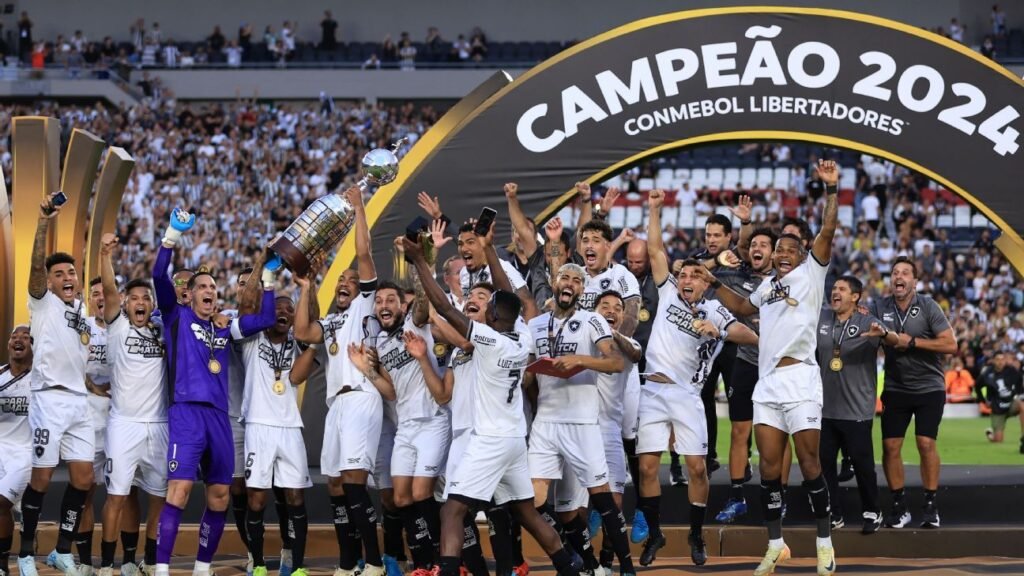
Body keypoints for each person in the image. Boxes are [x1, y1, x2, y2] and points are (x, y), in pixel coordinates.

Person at [402, 228, 582, 576]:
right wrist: (490, 253)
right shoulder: (522, 335)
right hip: (514, 439)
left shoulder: (490, 339)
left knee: (451, 510)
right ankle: (568, 568)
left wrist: (420, 262)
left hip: (489, 440)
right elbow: (509, 294)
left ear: (494, 317)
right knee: (526, 512)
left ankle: (449, 571)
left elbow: (444, 306)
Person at [700, 159, 841, 575]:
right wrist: (714, 284)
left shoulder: (812, 274)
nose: (781, 255)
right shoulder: (768, 285)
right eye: (778, 250)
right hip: (768, 384)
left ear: (803, 255)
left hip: (801, 379)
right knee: (769, 469)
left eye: (788, 250)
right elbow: (743, 307)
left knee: (810, 464)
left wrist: (831, 189)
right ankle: (776, 545)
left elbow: (828, 230)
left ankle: (824, 543)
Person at [151, 208, 277, 576]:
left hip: (220, 417)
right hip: (186, 413)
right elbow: (158, 275)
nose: (210, 291)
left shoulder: (225, 327)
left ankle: (202, 567)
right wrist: (172, 236)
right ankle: (162, 569)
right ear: (189, 295)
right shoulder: (175, 316)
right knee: (179, 491)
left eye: (213, 288)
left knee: (220, 497)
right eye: (203, 287)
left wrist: (269, 279)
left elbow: (266, 320)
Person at [636, 189, 758, 567]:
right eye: (683, 274)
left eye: (694, 275)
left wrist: (719, 331)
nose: (686, 279)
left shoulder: (715, 310)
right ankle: (655, 533)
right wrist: (654, 210)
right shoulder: (668, 293)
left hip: (687, 395)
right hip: (651, 391)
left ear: (705, 283)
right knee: (647, 467)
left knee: (697, 469)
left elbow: (748, 334)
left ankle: (695, 533)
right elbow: (655, 251)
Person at [293, 187, 389, 576]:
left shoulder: (365, 306)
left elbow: (364, 254)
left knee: (352, 482)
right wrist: (306, 288)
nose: (346, 282)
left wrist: (360, 208)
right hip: (337, 405)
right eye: (341, 280)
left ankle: (375, 562)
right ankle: (349, 563)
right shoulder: (332, 320)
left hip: (363, 397)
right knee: (334, 484)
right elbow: (303, 331)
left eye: (351, 279)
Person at [524, 262, 636, 576]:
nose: (570, 283)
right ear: (554, 282)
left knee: (602, 499)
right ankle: (586, 564)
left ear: (582, 290)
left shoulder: (592, 320)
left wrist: (579, 360)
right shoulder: (535, 325)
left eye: (577, 280)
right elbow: (529, 373)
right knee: (534, 503)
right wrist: (522, 377)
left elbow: (615, 362)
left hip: (582, 423)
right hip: (545, 422)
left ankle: (626, 568)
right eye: (565, 277)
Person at [17, 193, 95, 576]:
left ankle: (61, 551)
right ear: (48, 282)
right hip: (48, 399)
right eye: (59, 274)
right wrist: (44, 220)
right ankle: (25, 553)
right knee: (42, 478)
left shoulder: (83, 310)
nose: (67, 278)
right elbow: (35, 266)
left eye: (71, 273)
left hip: (79, 401)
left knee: (84, 479)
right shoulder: (43, 302)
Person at [96, 234, 169, 576]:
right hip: (123, 424)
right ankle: (107, 567)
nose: (140, 302)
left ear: (152, 305)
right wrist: (104, 254)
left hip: (160, 426)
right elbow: (110, 290)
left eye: (146, 298)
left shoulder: (162, 330)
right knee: (117, 497)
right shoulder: (118, 326)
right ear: (125, 304)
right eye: (134, 298)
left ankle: (149, 563)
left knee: (158, 498)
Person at [871, 256, 957, 529]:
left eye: (905, 273)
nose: (899, 276)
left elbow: (950, 344)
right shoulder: (879, 306)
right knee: (890, 447)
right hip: (896, 387)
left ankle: (930, 505)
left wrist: (913, 342)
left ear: (915, 281)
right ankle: (899, 506)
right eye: (895, 272)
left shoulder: (928, 306)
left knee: (925, 443)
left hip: (929, 386)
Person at [239, 295, 318, 576]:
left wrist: (308, 287)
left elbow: (298, 376)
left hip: (290, 428)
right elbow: (246, 308)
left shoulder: (297, 344)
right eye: (277, 307)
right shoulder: (252, 339)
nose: (284, 312)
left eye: (289, 309)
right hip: (258, 426)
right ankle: (259, 564)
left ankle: (297, 567)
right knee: (256, 500)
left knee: (295, 497)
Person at [816, 276, 898, 535]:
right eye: (834, 288)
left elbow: (894, 339)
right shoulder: (821, 318)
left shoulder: (866, 321)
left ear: (855, 297)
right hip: (825, 408)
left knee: (863, 466)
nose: (835, 292)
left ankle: (872, 511)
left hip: (857, 409)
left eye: (842, 289)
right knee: (824, 464)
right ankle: (834, 513)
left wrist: (884, 334)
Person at [715, 222, 776, 524]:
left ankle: (776, 496)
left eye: (763, 244)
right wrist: (718, 259)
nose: (756, 249)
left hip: (776, 368)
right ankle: (737, 496)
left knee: (775, 436)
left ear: (775, 252)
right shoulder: (736, 277)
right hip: (745, 363)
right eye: (753, 245)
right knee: (739, 431)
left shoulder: (787, 282)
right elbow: (694, 271)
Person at [590, 290, 643, 571]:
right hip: (579, 429)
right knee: (572, 504)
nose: (611, 310)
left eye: (617, 307)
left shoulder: (628, 344)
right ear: (594, 311)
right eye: (605, 306)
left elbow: (635, 354)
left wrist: (612, 334)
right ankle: (581, 559)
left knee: (616, 500)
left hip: (609, 429)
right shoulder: (582, 338)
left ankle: (606, 560)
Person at [0, 326, 33, 576]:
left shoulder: (41, 379)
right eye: (14, 337)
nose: (18, 340)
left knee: (1, 503)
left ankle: (6, 562)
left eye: (25, 337)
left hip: (24, 453)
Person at [977, 352, 1024, 447]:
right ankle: (990, 435)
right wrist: (984, 401)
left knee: (1022, 405)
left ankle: (1023, 436)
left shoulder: (1011, 370)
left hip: (1010, 404)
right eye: (998, 359)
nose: (1000, 362)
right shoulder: (987, 373)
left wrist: (1017, 392)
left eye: (1002, 359)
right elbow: (978, 387)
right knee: (998, 440)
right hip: (997, 409)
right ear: (993, 361)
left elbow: (1020, 379)